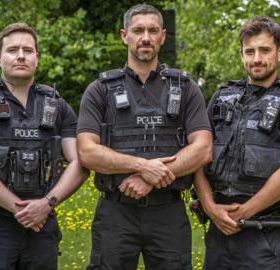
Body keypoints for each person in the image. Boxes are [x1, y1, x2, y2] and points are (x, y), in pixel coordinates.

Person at [76, 4, 212, 270]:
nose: (146, 37)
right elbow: (86, 152)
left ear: (163, 36)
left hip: (168, 213)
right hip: (116, 213)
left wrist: (151, 179)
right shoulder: (99, 90)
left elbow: (203, 149)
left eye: (152, 31)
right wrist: (142, 166)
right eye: (138, 30)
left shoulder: (185, 89)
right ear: (124, 35)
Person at [0, 23, 87, 269]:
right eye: (12, 50)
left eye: (28, 50)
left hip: (42, 226)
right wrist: (23, 210)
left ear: (37, 57)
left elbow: (81, 161)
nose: (21, 55)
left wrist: (46, 204)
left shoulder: (56, 105)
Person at [193, 16, 280, 270]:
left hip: (265, 236)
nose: (257, 58)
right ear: (242, 55)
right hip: (218, 233)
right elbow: (198, 156)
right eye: (250, 51)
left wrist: (245, 211)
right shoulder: (222, 96)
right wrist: (210, 207)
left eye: (264, 50)